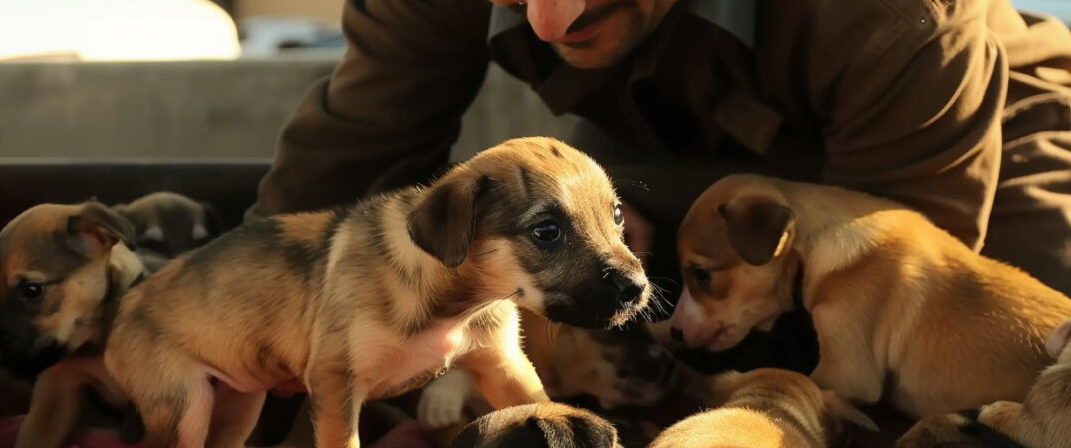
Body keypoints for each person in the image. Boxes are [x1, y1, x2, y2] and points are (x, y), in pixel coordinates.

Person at [249, 0, 1071, 343]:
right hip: (651, 138)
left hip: (974, 142)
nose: (547, 19)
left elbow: (903, 284)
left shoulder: (894, 20)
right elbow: (348, 162)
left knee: (1018, 356)